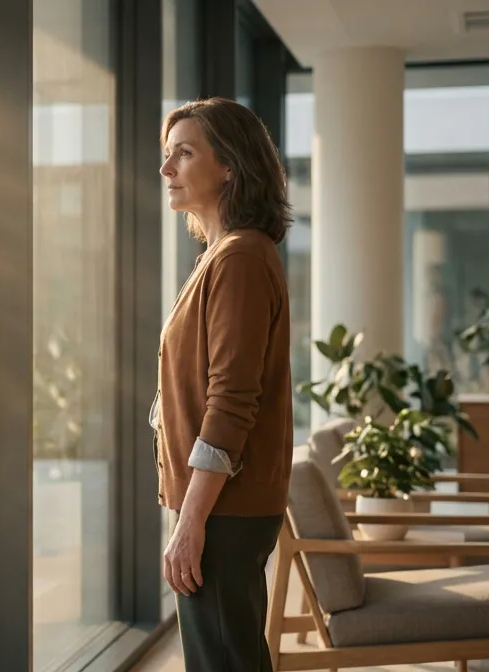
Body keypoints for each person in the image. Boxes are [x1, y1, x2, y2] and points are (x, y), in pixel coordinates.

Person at [153, 97, 292, 671]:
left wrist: (191, 520)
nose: (167, 169)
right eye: (167, 155)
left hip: (220, 510)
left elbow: (231, 402)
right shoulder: (223, 256)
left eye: (183, 154)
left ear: (230, 165)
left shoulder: (238, 259)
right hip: (216, 504)